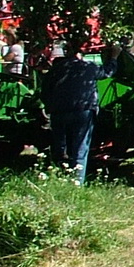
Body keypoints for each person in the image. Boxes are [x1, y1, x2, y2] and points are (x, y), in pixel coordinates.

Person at [43, 37, 100, 184]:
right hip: (83, 110)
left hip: (59, 111)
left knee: (59, 146)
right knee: (80, 147)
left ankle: (57, 177)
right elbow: (107, 72)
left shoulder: (56, 68)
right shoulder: (89, 67)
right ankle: (77, 182)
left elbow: (44, 90)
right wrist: (113, 57)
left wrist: (49, 106)